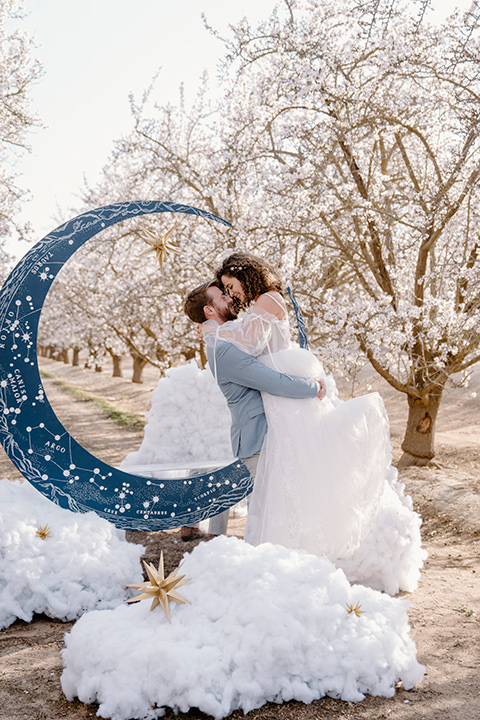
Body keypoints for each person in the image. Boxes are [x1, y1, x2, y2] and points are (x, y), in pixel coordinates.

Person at [201, 252, 390, 561]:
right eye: (227, 289)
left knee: (293, 463)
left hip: (282, 380)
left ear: (246, 275)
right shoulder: (258, 305)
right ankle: (285, 545)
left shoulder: (270, 298)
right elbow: (250, 343)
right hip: (276, 389)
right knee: (286, 467)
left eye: (232, 285)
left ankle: (295, 548)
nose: (232, 293)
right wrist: (217, 331)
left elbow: (248, 344)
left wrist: (214, 330)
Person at [182, 280, 326, 540]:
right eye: (222, 297)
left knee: (279, 509)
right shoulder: (223, 349)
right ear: (209, 311)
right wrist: (313, 387)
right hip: (256, 440)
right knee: (269, 513)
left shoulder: (226, 338)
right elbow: (271, 380)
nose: (229, 299)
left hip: (268, 433)